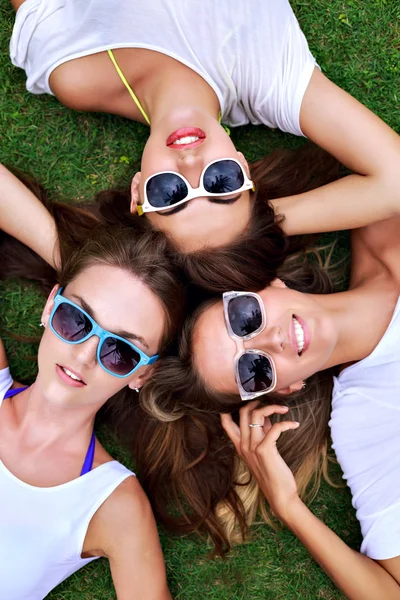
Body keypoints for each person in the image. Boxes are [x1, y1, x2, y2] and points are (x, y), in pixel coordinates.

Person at [8, 0, 400, 273]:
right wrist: (256, 225)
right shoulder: (266, 79)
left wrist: (234, 218)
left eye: (169, 193)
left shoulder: (75, 76)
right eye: (221, 183)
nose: (191, 163)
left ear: (137, 191)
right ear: (245, 168)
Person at [130, 203, 400, 597]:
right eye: (254, 370)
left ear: (269, 282)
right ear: (286, 389)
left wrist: (251, 228)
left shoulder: (379, 204)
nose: (270, 340)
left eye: (244, 317)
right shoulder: (364, 418)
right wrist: (288, 506)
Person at [0, 168, 186, 599]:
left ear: (143, 374)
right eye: (76, 319)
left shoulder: (111, 504)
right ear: (51, 305)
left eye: (120, 351)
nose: (84, 354)